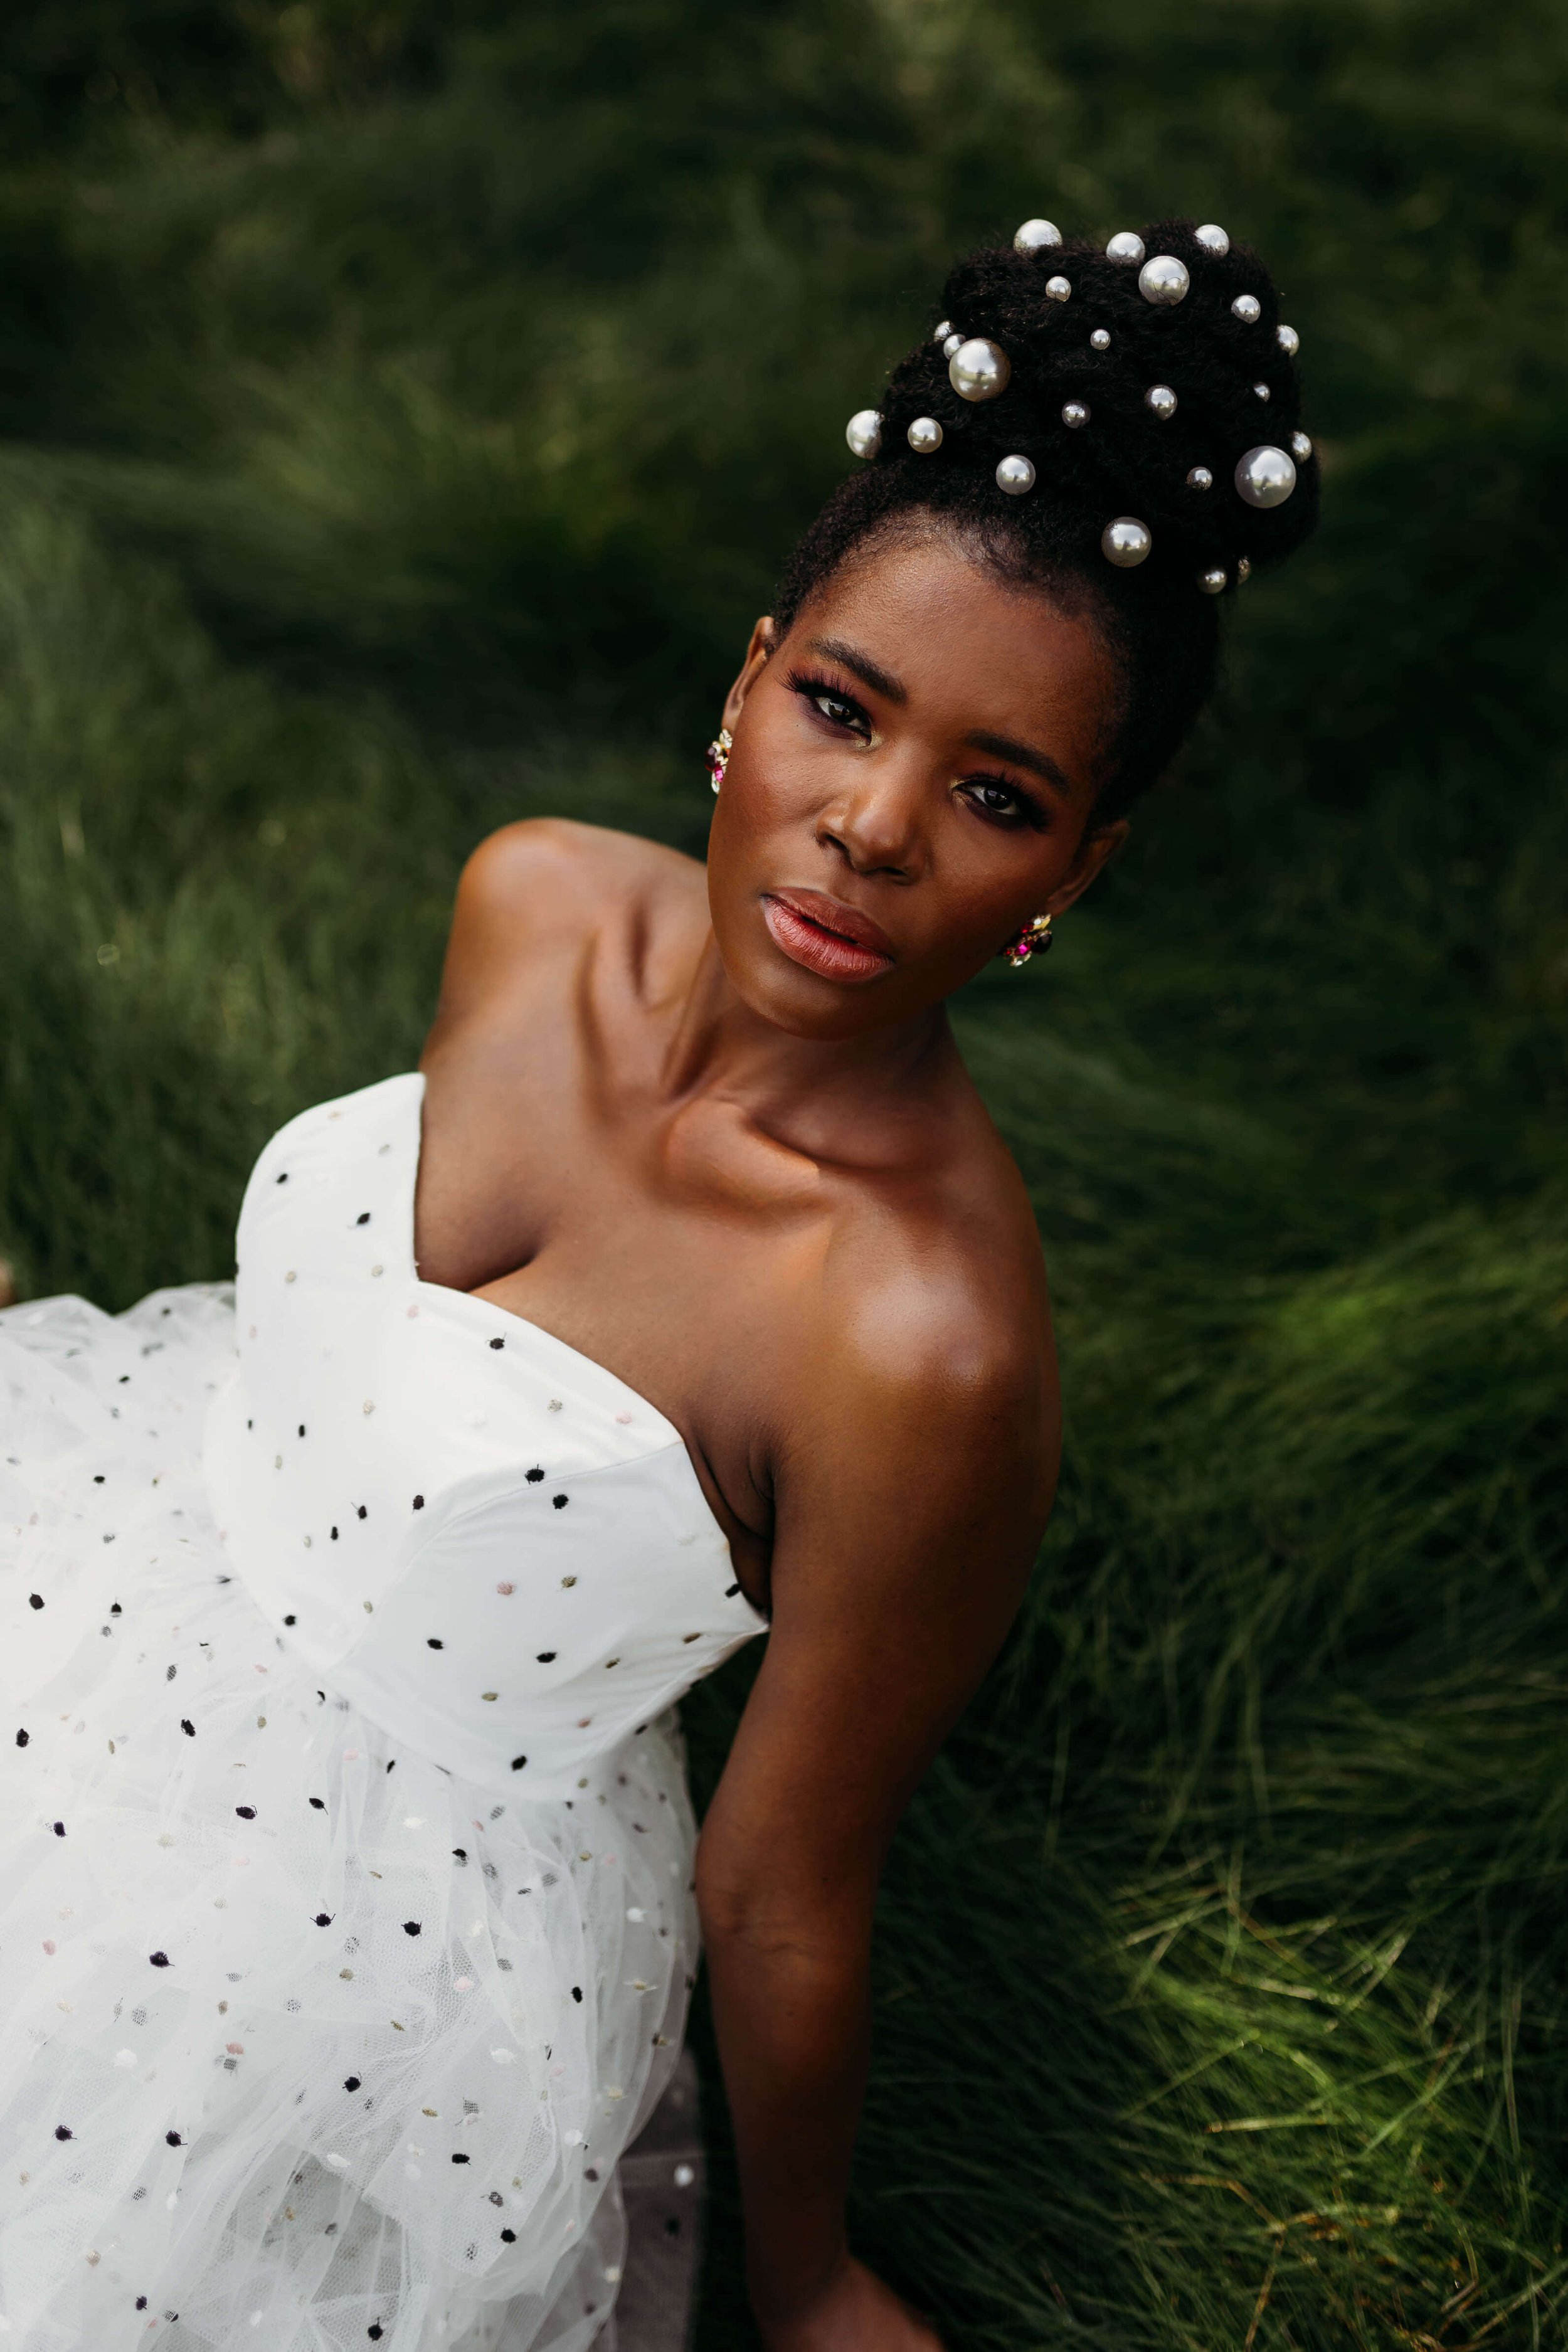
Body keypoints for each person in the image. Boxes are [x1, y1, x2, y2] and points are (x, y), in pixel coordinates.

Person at [0, 216, 1316, 2351]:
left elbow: (783, 1891)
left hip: (353, 1912)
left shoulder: (918, 1346)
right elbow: (359, 1351)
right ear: (745, 680)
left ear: (1075, 872)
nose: (873, 825)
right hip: (87, 1560)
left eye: (995, 796)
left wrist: (800, 2292)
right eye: (839, 707)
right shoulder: (531, 898)